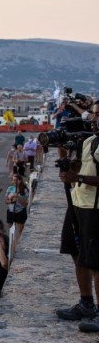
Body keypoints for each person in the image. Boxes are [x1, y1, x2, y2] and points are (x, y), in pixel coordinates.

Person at [56, 128, 99, 325]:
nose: (93, 119)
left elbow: (81, 176)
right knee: (76, 252)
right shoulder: (89, 140)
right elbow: (79, 167)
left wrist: (78, 178)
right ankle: (86, 303)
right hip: (77, 203)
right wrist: (67, 160)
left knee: (96, 261)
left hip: (94, 207)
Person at [5, 174, 30, 254]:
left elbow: (25, 203)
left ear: (20, 180)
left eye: (16, 180)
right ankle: (12, 246)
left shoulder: (24, 190)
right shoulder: (10, 189)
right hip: (11, 211)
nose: (15, 182)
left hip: (20, 211)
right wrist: (11, 200)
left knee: (20, 230)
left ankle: (20, 246)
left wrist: (18, 197)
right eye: (13, 180)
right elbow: (6, 201)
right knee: (11, 230)